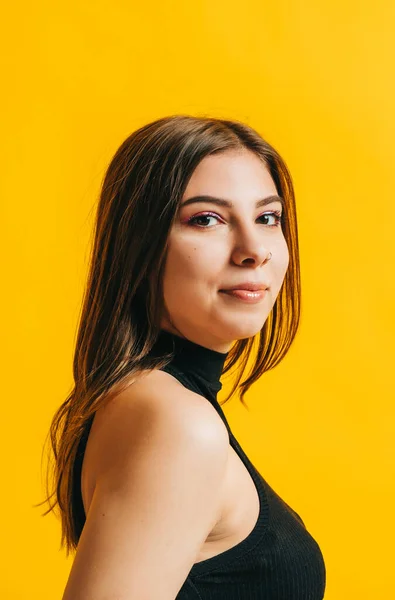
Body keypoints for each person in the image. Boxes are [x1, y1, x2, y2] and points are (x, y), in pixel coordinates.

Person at [40, 114, 326, 599]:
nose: (253, 250)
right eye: (207, 219)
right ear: (141, 246)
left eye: (267, 217)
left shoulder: (145, 400)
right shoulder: (176, 423)